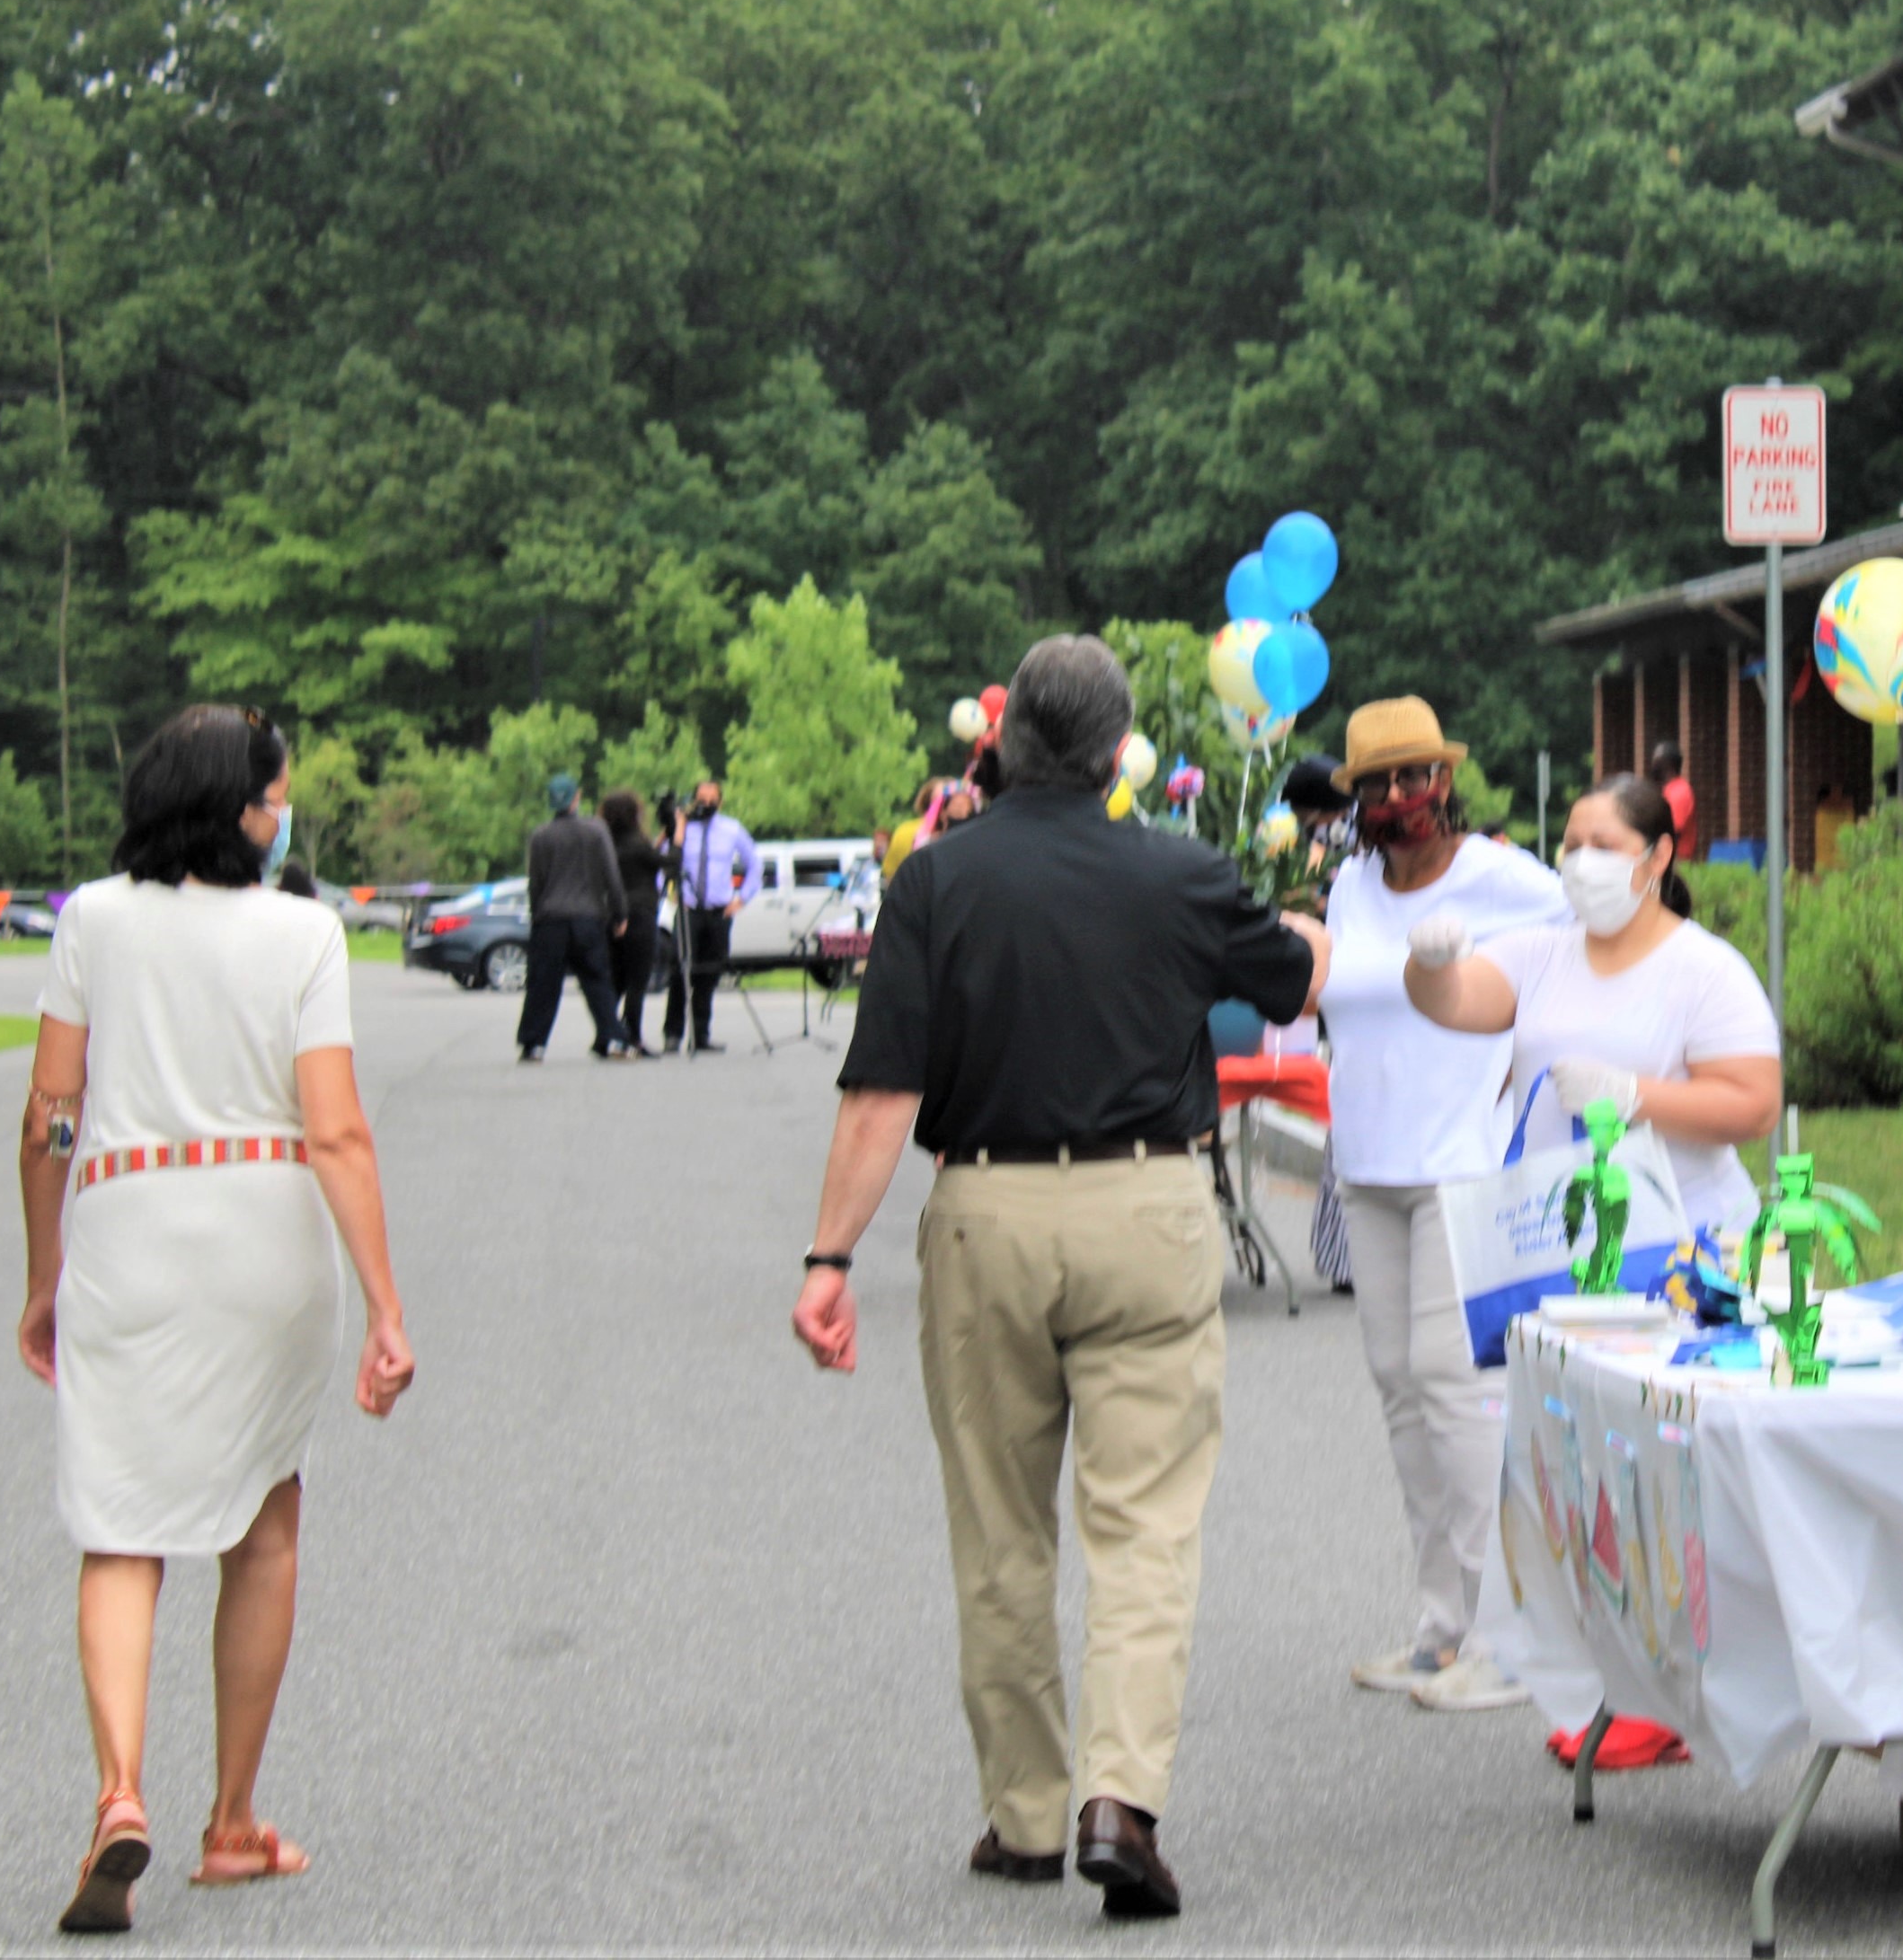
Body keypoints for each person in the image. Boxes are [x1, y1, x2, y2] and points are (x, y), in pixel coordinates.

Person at [790, 634, 1328, 1921]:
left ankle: (1026, 1813)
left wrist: (827, 1255)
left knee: (999, 1521)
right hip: (1148, 1201)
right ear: (1115, 750)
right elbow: (1293, 978)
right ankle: (1119, 1798)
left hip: (985, 1205)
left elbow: (882, 1091)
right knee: (1144, 1521)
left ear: (1008, 738)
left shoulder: (936, 881)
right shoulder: (1180, 868)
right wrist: (1304, 915)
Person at [15, 704, 415, 1935]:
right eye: (277, 789)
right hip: (264, 1228)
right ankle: (233, 1819)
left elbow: (48, 1111)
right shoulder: (303, 932)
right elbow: (337, 1128)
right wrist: (386, 1306)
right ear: (245, 809)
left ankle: (120, 1784)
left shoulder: (92, 920)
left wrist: (44, 1272)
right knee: (264, 1517)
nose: (283, 805)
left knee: (119, 1522)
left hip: (131, 1228)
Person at [1314, 699, 1566, 1714]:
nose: (1396, 800)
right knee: (1397, 1384)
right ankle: (1439, 1624)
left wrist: (1526, 1073)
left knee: (1448, 1379)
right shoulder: (1350, 883)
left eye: (1414, 778)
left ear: (1447, 779)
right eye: (1375, 785)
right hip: (1368, 1158)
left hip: (1462, 1156)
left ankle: (1509, 1629)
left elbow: (1570, 970)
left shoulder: (1508, 880)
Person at [1403, 770, 1782, 1254]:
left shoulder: (1708, 970)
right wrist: (1428, 965)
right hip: (1555, 1237)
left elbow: (1756, 1108)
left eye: (1603, 847)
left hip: (1684, 1242)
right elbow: (1453, 1002)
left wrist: (1627, 1095)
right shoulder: (1540, 953)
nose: (1583, 863)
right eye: (1573, 846)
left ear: (1659, 856)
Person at [518, 773, 629, 1063]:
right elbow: (611, 876)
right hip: (588, 918)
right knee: (597, 981)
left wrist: (536, 916)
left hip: (551, 919)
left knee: (544, 984)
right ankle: (614, 1038)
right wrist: (619, 913)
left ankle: (534, 1044)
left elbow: (536, 883)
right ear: (576, 798)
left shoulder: (541, 836)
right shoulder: (596, 831)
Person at [662, 779, 753, 1054]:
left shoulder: (731, 829)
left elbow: (755, 863)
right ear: (693, 799)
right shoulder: (682, 827)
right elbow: (664, 861)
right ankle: (673, 1034)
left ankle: (701, 1034)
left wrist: (741, 898)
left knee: (709, 975)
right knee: (680, 970)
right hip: (689, 909)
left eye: (712, 800)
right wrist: (667, 893)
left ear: (720, 802)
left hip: (718, 912)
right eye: (702, 799)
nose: (707, 805)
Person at [599, 790, 664, 1058]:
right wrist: (679, 836)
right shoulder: (637, 843)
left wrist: (661, 838)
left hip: (613, 914)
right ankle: (633, 1036)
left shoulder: (607, 843)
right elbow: (669, 862)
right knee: (638, 979)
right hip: (640, 914)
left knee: (617, 979)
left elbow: (648, 858)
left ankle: (607, 1034)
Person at [1647, 740, 1697, 861]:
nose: (1652, 763)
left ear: (1667, 763)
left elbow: (1672, 831)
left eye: (1656, 759)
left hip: (1676, 862)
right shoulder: (1668, 791)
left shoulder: (1679, 792)